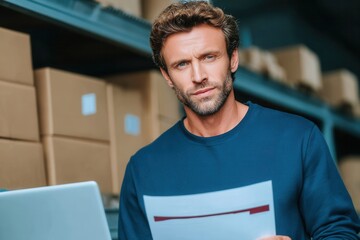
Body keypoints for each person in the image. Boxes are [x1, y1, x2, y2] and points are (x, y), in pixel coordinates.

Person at [118, 1, 360, 239]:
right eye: (181, 64)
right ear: (167, 76)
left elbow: (340, 232)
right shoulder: (143, 170)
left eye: (209, 57)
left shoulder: (297, 139)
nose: (198, 76)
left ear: (233, 59)